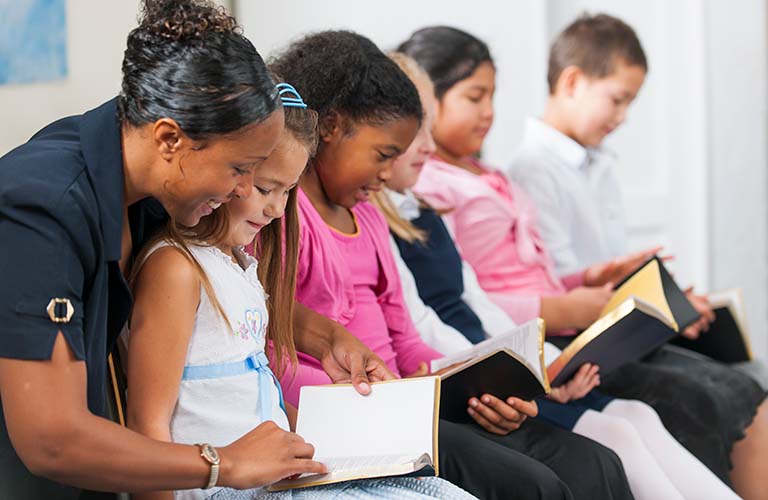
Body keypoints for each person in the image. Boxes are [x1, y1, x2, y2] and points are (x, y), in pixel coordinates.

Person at [0, 2, 389, 497]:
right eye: (239, 169)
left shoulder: (153, 179)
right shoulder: (43, 208)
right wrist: (223, 464)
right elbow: (50, 440)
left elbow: (220, 304)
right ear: (170, 139)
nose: (242, 190)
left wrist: (322, 335)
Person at [400, 25, 768, 497]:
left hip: (541, 336)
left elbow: (488, 288)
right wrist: (578, 310)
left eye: (492, 96)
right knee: (666, 410)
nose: (490, 113)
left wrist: (590, 283)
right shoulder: (430, 191)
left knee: (682, 402)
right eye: (475, 98)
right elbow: (462, 304)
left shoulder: (491, 175)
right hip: (532, 336)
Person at [268, 29, 634, 500]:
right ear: (332, 127)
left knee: (594, 462)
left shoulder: (369, 218)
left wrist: (468, 388)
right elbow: (274, 348)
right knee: (534, 485)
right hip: (360, 414)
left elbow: (407, 336)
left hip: (407, 401)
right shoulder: (282, 217)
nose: (386, 175)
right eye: (383, 156)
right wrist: (392, 400)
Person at [125, 85, 474, 500]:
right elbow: (148, 429)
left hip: (272, 481)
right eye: (265, 189)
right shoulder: (176, 268)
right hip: (223, 490)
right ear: (231, 169)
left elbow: (250, 400)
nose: (276, 210)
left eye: (287, 191)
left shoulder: (239, 265)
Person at [507, 12, 768, 447]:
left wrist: (669, 300)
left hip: (617, 320)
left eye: (630, 103)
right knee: (731, 393)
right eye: (617, 99)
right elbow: (562, 286)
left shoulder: (599, 162)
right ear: (573, 82)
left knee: (757, 373)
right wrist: (664, 308)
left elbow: (607, 266)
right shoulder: (532, 172)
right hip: (583, 337)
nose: (623, 116)